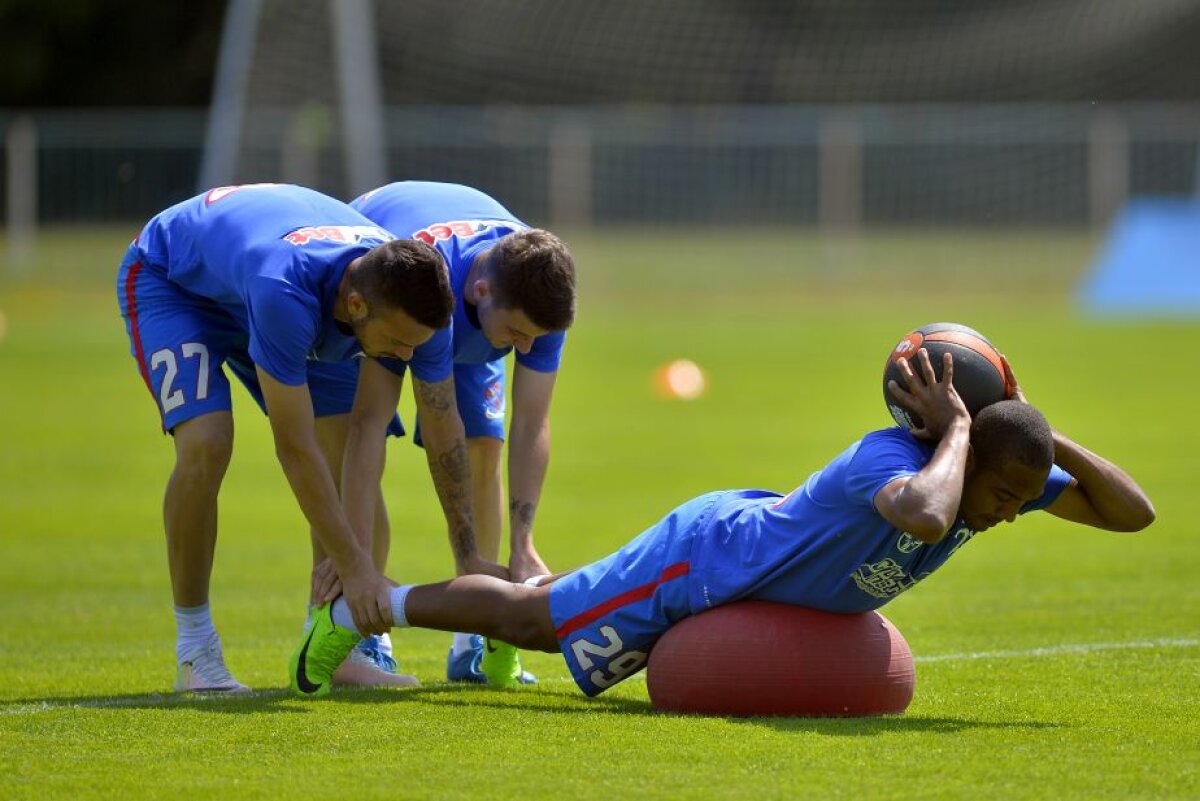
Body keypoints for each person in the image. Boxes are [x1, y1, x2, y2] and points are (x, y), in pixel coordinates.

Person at [289, 349, 1154, 698]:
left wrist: (1037, 432)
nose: (1009, 513)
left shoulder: (995, 476)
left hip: (749, 563)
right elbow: (927, 517)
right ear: (960, 446)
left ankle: (492, 615)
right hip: (703, 560)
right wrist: (966, 425)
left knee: (549, 602)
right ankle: (367, 609)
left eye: (1020, 497)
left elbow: (1133, 513)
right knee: (538, 621)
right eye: (1004, 497)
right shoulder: (893, 462)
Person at [117, 182, 501, 693]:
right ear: (356, 305)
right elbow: (294, 448)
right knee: (208, 439)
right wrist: (354, 565)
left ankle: (335, 640)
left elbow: (443, 424)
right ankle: (196, 650)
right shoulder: (284, 290)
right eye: (397, 342)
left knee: (343, 456)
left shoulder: (418, 305)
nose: (406, 357)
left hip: (281, 288)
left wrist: (467, 553)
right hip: (178, 284)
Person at [343, 181, 576, 684]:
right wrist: (351, 557)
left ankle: (475, 635)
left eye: (535, 337)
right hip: (390, 292)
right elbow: (378, 424)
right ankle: (359, 628)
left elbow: (531, 422)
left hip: (468, 318)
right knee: (354, 438)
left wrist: (523, 543)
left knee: (484, 446)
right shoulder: (423, 285)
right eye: (517, 334)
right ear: (481, 291)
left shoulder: (536, 293)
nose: (526, 350)